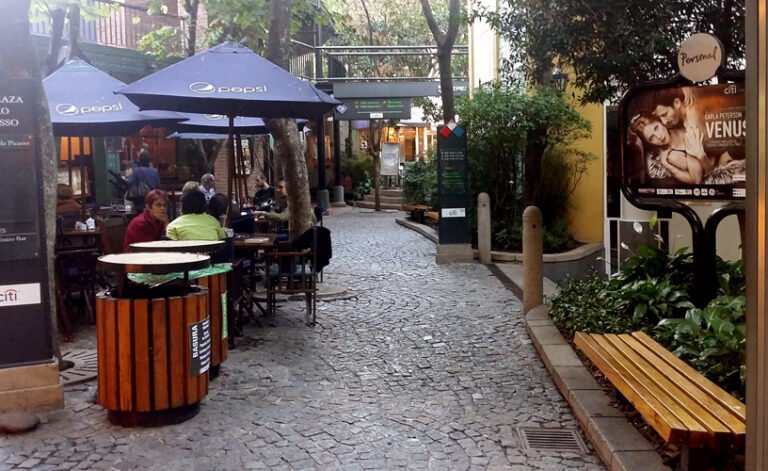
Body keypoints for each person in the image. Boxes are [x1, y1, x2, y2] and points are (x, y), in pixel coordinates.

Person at [252, 179, 316, 232]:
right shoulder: (287, 200)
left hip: (303, 236)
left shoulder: (293, 201)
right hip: (297, 232)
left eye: (281, 187)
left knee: (269, 238)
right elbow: (276, 211)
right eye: (277, 187)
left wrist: (264, 213)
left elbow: (282, 217)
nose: (277, 190)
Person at [125, 148, 161, 213]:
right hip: (152, 196)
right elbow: (158, 184)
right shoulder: (154, 171)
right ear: (149, 160)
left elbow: (130, 182)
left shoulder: (136, 171)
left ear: (140, 160)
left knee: (140, 213)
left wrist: (129, 175)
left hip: (140, 198)